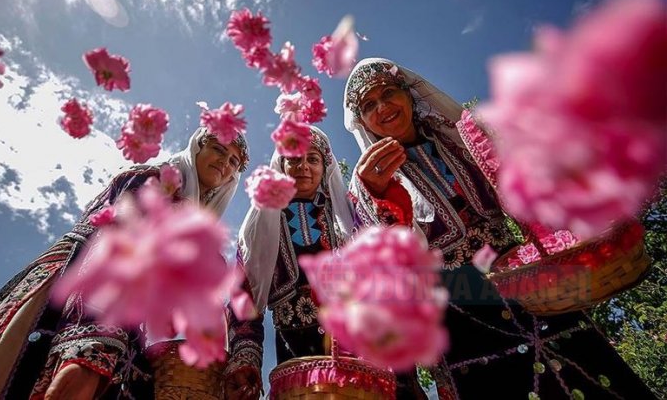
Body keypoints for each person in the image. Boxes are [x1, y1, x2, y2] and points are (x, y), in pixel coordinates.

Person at [343, 58, 655, 399]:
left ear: (409, 94)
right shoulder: (367, 184)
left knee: (585, 367)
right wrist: (380, 193)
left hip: (524, 281)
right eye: (369, 105)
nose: (383, 106)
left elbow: (527, 188)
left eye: (389, 92)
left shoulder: (460, 139)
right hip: (458, 306)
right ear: (361, 121)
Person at [0, 127, 249, 400]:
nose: (226, 164)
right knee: (80, 363)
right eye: (219, 151)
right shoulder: (156, 178)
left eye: (234, 161)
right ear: (197, 147)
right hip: (89, 274)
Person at [224, 126, 363, 400]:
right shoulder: (258, 225)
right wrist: (246, 356)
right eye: (294, 158)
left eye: (313, 159)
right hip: (293, 348)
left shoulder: (348, 214)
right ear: (281, 165)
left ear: (325, 166)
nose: (304, 167)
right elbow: (244, 294)